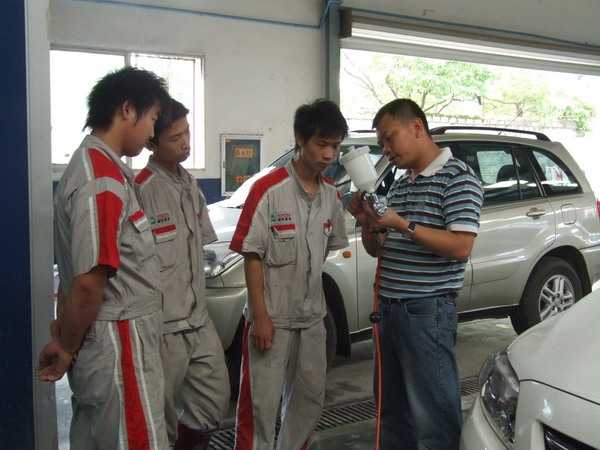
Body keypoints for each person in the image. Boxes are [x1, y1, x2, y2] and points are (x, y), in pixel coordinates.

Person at [38, 67, 170, 449]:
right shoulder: (102, 179)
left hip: (114, 337)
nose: (152, 132)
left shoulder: (100, 168)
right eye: (152, 118)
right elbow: (87, 283)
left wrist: (68, 338)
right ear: (127, 110)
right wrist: (66, 347)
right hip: (120, 342)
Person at [348, 99, 484, 450]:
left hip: (426, 312)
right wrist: (368, 224)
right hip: (389, 310)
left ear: (417, 128)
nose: (386, 149)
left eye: (389, 138)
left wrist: (402, 223)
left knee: (433, 415)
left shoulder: (458, 178)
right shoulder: (400, 184)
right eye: (381, 143)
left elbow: (461, 247)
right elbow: (378, 250)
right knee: (392, 412)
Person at [229, 99, 349, 450]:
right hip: (273, 320)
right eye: (321, 144)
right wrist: (261, 315)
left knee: (308, 402)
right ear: (300, 138)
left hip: (312, 320)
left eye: (335, 146)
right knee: (260, 407)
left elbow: (326, 250)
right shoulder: (268, 190)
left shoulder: (331, 195)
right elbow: (252, 255)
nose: (329, 154)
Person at [135, 98, 230, 450]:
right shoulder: (141, 190)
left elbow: (201, 243)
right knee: (158, 414)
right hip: (162, 327)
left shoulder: (190, 185)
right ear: (151, 141)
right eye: (175, 138)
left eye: (187, 133)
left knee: (214, 398)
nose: (186, 143)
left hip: (198, 319)